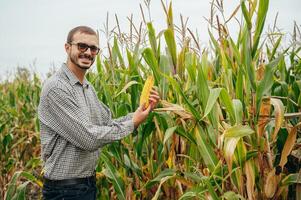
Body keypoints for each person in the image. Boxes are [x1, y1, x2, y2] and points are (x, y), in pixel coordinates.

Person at [38, 25, 160, 199]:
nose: (88, 52)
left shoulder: (87, 88)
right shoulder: (57, 88)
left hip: (86, 185)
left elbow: (108, 123)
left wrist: (141, 111)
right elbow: (88, 138)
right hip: (64, 191)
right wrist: (133, 123)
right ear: (67, 47)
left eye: (93, 48)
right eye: (82, 46)